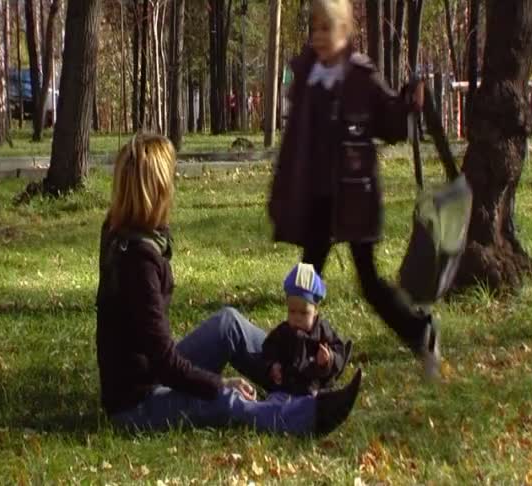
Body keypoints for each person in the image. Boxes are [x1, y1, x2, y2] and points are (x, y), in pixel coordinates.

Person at [95, 133, 362, 437]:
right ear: (156, 189)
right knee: (226, 400)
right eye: (169, 180)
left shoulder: (118, 228)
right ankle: (309, 416)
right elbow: (164, 362)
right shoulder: (138, 261)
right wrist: (217, 383)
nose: (173, 188)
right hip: (137, 405)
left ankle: (301, 369)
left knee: (228, 325)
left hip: (147, 374)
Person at [268, 0, 440, 379]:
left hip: (354, 200)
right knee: (305, 278)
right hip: (317, 199)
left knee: (369, 282)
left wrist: (408, 104)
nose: (319, 37)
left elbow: (391, 123)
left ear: (344, 32)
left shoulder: (360, 77)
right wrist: (283, 192)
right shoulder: (307, 75)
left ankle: (420, 330)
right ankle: (296, 353)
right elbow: (295, 142)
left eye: (327, 29)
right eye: (315, 29)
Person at [263, 263, 352, 396]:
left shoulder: (322, 331)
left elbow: (338, 350)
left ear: (315, 310)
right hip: (287, 386)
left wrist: (328, 359)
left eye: (304, 313)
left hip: (314, 385)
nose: (297, 318)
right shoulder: (284, 331)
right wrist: (273, 365)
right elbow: (269, 347)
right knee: (277, 399)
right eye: (292, 312)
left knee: (320, 395)